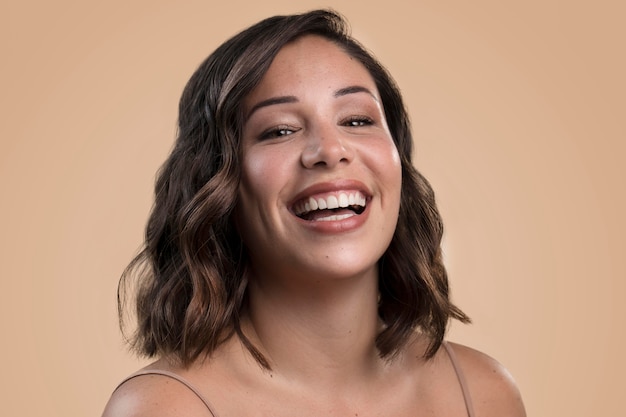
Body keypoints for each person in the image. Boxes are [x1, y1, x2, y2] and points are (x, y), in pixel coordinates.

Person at [103, 9, 525, 417]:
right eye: (280, 130)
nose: (329, 150)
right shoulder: (164, 409)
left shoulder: (484, 393)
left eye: (357, 120)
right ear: (216, 184)